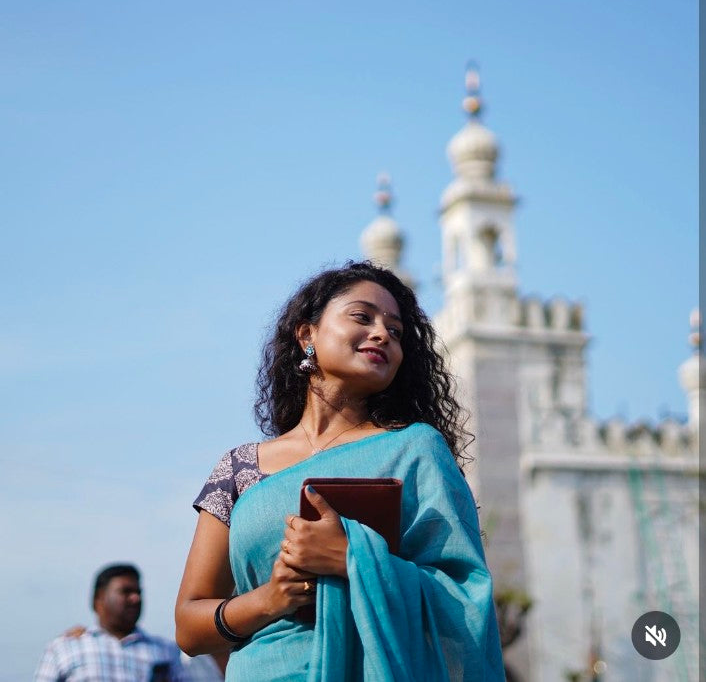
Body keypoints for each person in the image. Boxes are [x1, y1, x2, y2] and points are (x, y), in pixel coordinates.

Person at [176, 261, 505, 681]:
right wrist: (270, 599)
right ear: (307, 334)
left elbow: (466, 599)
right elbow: (188, 625)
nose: (382, 333)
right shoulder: (239, 468)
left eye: (396, 331)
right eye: (362, 317)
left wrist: (352, 557)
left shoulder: (416, 449)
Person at [34, 563, 188, 681]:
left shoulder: (166, 651)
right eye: (126, 592)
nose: (136, 598)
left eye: (138, 592)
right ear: (99, 599)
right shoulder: (64, 648)